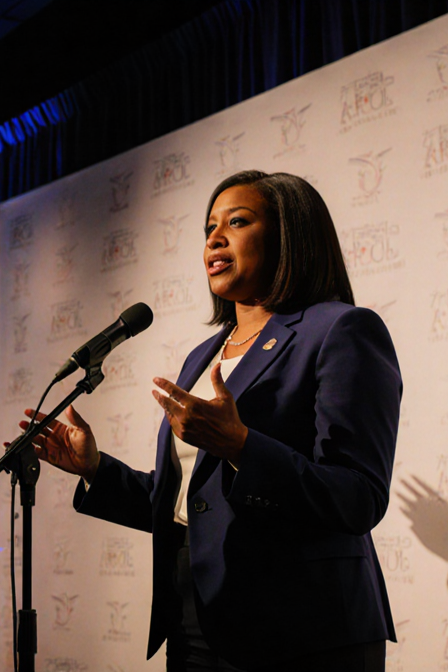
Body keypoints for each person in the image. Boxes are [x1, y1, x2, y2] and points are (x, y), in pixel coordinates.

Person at [22, 171, 401, 671]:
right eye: (208, 228)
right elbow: (192, 503)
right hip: (198, 619)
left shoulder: (340, 330)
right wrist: (96, 469)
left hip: (305, 628)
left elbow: (359, 496)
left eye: (237, 222)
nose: (214, 239)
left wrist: (242, 446)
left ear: (288, 235)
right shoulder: (206, 355)